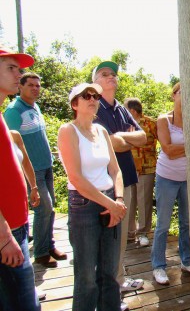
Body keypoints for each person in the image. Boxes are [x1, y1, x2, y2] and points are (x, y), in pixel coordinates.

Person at [58, 82, 127, 311]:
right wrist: (111, 204)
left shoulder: (102, 131)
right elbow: (76, 178)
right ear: (74, 104)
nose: (93, 99)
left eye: (96, 96)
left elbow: (115, 170)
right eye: (86, 95)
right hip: (84, 205)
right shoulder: (68, 131)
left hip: (110, 201)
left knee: (109, 273)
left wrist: (118, 200)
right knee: (87, 277)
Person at [92, 61, 146, 302]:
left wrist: (122, 136)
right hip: (104, 182)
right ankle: (107, 289)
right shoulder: (93, 106)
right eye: (104, 74)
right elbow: (109, 143)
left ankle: (118, 281)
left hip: (125, 177)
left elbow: (142, 137)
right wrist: (124, 140)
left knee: (121, 235)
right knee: (107, 237)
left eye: (113, 74)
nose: (111, 77)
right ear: (95, 82)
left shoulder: (122, 110)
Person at [4, 72, 67, 268]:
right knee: (43, 208)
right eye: (30, 85)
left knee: (51, 207)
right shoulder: (14, 111)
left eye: (38, 85)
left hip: (46, 165)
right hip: (32, 170)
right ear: (20, 87)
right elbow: (11, 145)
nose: (35, 88)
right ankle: (40, 253)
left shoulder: (35, 107)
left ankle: (49, 245)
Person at [0, 44, 40, 310]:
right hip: (7, 233)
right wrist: (4, 236)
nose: (19, 74)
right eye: (11, 68)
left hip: (17, 227)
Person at [151, 83, 190, 285]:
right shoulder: (163, 119)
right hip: (166, 177)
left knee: (186, 223)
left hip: (188, 180)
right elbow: (168, 150)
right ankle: (158, 266)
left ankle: (187, 261)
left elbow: (179, 149)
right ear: (174, 95)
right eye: (182, 91)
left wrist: (181, 148)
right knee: (163, 224)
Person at [10, 129, 47, 301]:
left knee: (23, 253)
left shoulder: (14, 135)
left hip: (21, 210)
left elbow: (25, 162)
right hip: (6, 219)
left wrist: (33, 187)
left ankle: (28, 288)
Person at [124, 97, 158, 247]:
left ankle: (143, 233)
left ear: (132, 110)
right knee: (128, 201)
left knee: (144, 202)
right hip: (128, 167)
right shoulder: (123, 124)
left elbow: (163, 140)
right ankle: (128, 233)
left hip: (146, 167)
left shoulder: (151, 123)